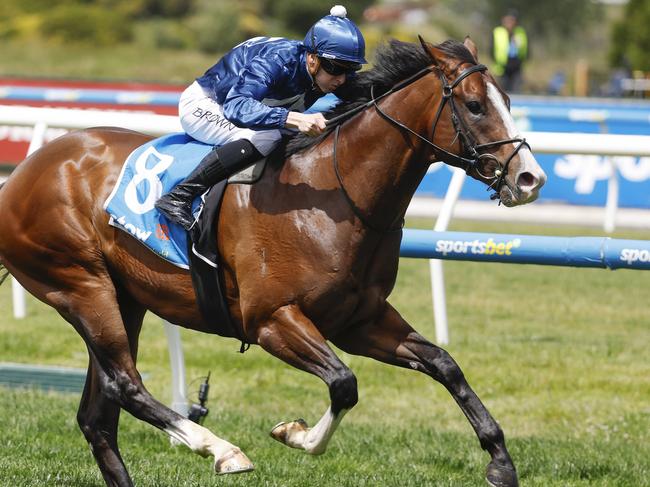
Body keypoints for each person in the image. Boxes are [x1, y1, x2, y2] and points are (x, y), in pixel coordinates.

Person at [155, 5, 367, 230]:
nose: (343, 79)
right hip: (206, 105)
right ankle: (180, 195)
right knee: (267, 137)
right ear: (313, 59)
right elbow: (237, 107)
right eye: (337, 69)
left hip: (236, 107)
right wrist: (294, 118)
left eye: (350, 70)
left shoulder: (327, 71)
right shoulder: (276, 61)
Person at [490, 9, 528, 93]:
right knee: (502, 92)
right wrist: (498, 61)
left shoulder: (520, 32)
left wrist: (521, 62)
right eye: (508, 20)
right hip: (502, 68)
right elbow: (491, 50)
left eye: (512, 20)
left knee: (516, 91)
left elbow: (526, 49)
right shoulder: (497, 32)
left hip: (517, 67)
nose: (510, 22)